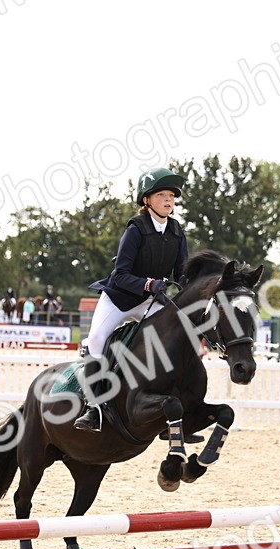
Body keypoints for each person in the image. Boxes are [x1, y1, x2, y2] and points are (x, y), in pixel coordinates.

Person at [74, 167, 189, 432]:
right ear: (146, 200)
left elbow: (182, 273)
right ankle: (93, 407)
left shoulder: (176, 230)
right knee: (97, 338)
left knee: (173, 338)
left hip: (151, 301)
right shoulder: (136, 229)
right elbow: (121, 274)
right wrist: (149, 283)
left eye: (171, 195)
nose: (169, 200)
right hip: (120, 298)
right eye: (162, 194)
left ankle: (178, 404)